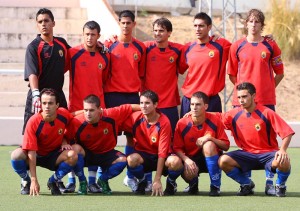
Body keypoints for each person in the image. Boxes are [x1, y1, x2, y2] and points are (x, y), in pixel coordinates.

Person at [227, 9, 284, 194]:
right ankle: (246, 181)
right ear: (246, 24)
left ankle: (270, 179)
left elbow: (280, 73)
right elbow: (232, 75)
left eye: (257, 22)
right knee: (244, 139)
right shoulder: (237, 46)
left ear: (262, 25)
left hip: (266, 100)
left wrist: (267, 88)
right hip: (241, 102)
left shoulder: (271, 45)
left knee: (268, 139)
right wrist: (243, 95)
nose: (253, 25)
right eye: (250, 21)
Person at [218, 82, 294, 197]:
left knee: (284, 160)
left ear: (253, 96)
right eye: (239, 97)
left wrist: (282, 150)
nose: (241, 100)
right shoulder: (233, 114)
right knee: (223, 161)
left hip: (269, 155)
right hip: (246, 154)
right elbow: (214, 118)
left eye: (244, 96)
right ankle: (246, 184)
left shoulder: (267, 113)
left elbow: (287, 133)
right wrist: (195, 114)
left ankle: (280, 185)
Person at [10, 88, 87, 196]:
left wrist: (87, 110)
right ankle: (26, 180)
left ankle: (53, 181)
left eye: (50, 103)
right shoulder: (33, 122)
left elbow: (73, 116)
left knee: (73, 155)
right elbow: (31, 152)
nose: (46, 106)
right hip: (36, 155)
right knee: (16, 155)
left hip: (54, 155)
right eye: (44, 103)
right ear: (40, 104)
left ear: (57, 105)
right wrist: (33, 179)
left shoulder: (63, 115)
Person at [63, 20, 110, 194]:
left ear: (98, 36)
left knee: (95, 144)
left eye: (93, 34)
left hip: (98, 107)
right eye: (86, 34)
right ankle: (71, 181)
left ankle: (92, 182)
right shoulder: (73, 53)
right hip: (76, 108)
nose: (89, 38)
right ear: (82, 35)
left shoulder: (105, 55)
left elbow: (104, 79)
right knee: (73, 145)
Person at [103, 10, 147, 191]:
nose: (126, 26)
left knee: (132, 137)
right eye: (123, 23)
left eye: (129, 23)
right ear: (119, 24)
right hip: (112, 95)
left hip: (132, 97)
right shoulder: (109, 45)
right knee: (106, 137)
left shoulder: (140, 48)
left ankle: (130, 177)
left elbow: (142, 74)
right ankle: (100, 177)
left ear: (134, 24)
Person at [64, 94, 140, 195]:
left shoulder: (111, 114)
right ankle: (82, 181)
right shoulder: (77, 121)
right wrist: (64, 143)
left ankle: (102, 180)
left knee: (123, 160)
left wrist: (151, 110)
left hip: (106, 154)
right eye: (85, 110)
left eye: (91, 110)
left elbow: (130, 107)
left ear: (100, 109)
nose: (88, 113)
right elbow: (65, 135)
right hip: (87, 155)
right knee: (74, 149)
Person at [164, 91, 230, 196]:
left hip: (211, 157)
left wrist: (210, 138)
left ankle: (215, 186)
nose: (194, 107)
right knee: (178, 164)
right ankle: (192, 184)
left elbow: (226, 146)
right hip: (191, 160)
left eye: (198, 104)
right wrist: (187, 160)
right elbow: (176, 148)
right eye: (192, 104)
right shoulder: (182, 123)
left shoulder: (215, 120)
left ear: (206, 106)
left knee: (208, 145)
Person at [23, 8, 70, 134]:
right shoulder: (33, 47)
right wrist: (36, 95)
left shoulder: (62, 43)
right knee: (32, 134)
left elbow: (76, 56)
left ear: (53, 23)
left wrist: (100, 45)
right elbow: (32, 73)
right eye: (40, 22)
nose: (43, 24)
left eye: (46, 20)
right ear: (37, 25)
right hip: (39, 98)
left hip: (58, 96)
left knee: (64, 133)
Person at [179, 12, 231, 117]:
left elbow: (243, 49)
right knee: (186, 132)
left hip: (210, 101)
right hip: (189, 100)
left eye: (201, 26)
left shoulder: (221, 46)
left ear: (209, 27)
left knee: (212, 133)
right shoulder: (187, 48)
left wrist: (264, 38)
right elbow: (180, 69)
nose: (197, 29)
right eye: (195, 26)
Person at [122, 90, 172, 196]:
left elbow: (162, 153)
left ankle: (171, 183)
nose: (143, 106)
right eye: (141, 103)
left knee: (175, 162)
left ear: (155, 105)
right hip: (144, 157)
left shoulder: (164, 122)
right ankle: (142, 180)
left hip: (160, 158)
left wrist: (157, 179)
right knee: (131, 160)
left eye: (147, 103)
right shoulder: (134, 118)